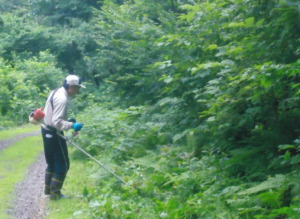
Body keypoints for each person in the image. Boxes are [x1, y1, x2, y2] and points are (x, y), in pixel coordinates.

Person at [41, 75, 85, 200]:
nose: (78, 91)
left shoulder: (56, 92)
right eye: (77, 88)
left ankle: (48, 190)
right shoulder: (62, 99)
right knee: (63, 164)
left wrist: (68, 121)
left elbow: (53, 115)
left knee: (52, 163)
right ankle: (55, 194)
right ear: (71, 86)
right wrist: (72, 125)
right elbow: (57, 122)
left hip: (45, 130)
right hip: (54, 133)